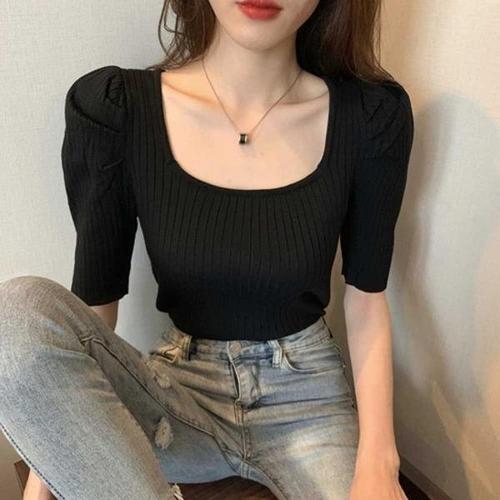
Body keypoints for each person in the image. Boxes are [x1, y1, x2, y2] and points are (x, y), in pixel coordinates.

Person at [0, 0, 414, 499]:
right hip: (179, 395)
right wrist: (46, 482)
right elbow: (91, 317)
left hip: (307, 404)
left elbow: (366, 300)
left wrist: (380, 462)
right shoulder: (118, 109)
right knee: (15, 315)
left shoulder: (368, 118)